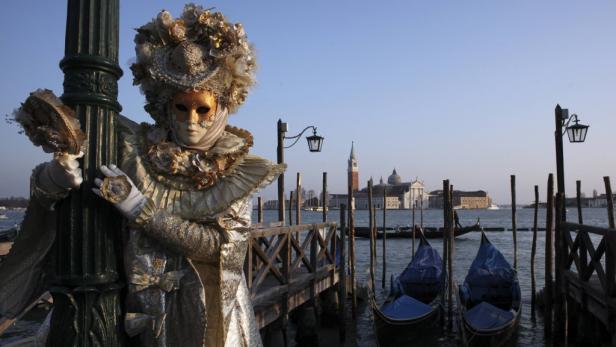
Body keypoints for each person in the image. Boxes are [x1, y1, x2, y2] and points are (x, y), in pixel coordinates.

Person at [0, 5, 283, 347]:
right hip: (130, 313)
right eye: (181, 107)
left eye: (203, 109)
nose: (191, 121)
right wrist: (53, 181)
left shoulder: (238, 168)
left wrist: (142, 211)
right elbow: (74, 167)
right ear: (165, 104)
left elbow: (224, 249)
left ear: (222, 106)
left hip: (204, 319)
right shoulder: (135, 148)